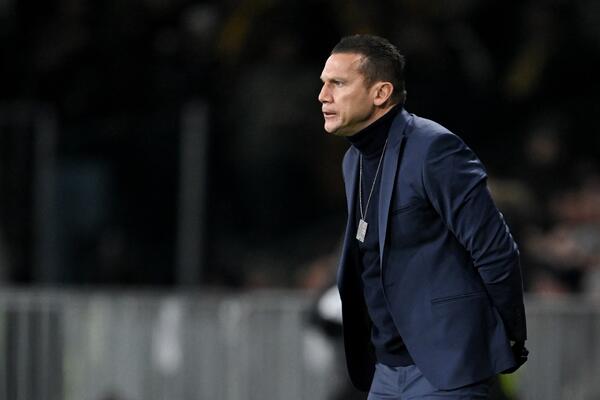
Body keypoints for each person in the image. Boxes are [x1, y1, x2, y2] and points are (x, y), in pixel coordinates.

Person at [318, 34, 528, 399]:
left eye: (337, 83)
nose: (323, 95)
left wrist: (506, 334)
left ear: (381, 93)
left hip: (446, 369)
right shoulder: (353, 161)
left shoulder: (434, 148)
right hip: (385, 372)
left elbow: (495, 249)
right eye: (324, 83)